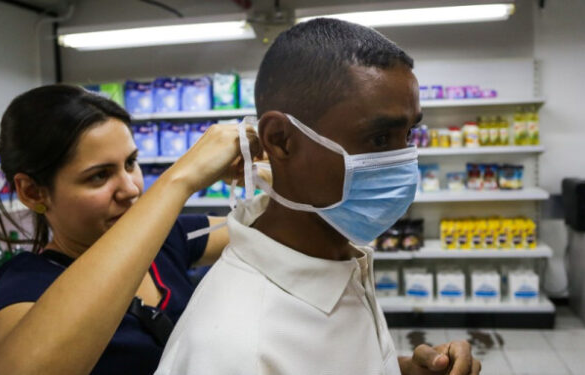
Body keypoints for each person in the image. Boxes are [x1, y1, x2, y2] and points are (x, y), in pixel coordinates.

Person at [156, 18, 481, 375]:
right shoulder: (237, 351)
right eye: (378, 139)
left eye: (408, 136)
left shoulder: (336, 254)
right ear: (280, 139)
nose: (402, 162)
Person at [0, 84, 265, 374]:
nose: (130, 189)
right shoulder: (26, 284)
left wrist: (277, 175)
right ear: (33, 192)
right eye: (99, 176)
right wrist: (180, 179)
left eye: (130, 163)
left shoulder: (167, 238)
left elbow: (267, 228)